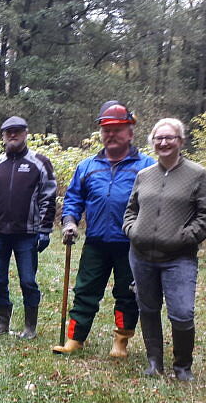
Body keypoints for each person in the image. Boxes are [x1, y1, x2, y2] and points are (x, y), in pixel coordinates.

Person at [54, 101, 156, 356]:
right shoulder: (87, 166)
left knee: (127, 293)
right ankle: (75, 339)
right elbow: (74, 198)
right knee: (85, 290)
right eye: (106, 130)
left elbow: (157, 202)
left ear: (130, 133)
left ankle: (121, 341)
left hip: (132, 243)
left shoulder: (147, 166)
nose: (111, 134)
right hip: (96, 242)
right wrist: (69, 222)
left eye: (118, 129)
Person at [123, 119, 206, 381]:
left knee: (182, 312)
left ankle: (183, 367)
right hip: (141, 255)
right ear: (152, 142)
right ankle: (154, 362)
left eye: (170, 138)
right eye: (158, 138)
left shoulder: (197, 174)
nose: (163, 143)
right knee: (148, 308)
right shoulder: (144, 175)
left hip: (179, 258)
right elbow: (131, 209)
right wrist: (132, 230)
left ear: (181, 141)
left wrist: (186, 237)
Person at [0, 117, 57, 339]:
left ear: (26, 133)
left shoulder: (40, 163)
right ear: (2, 136)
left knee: (28, 281)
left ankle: (30, 326)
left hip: (27, 234)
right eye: (8, 132)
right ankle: (3, 322)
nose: (13, 135)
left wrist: (45, 229)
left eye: (17, 131)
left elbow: (49, 197)